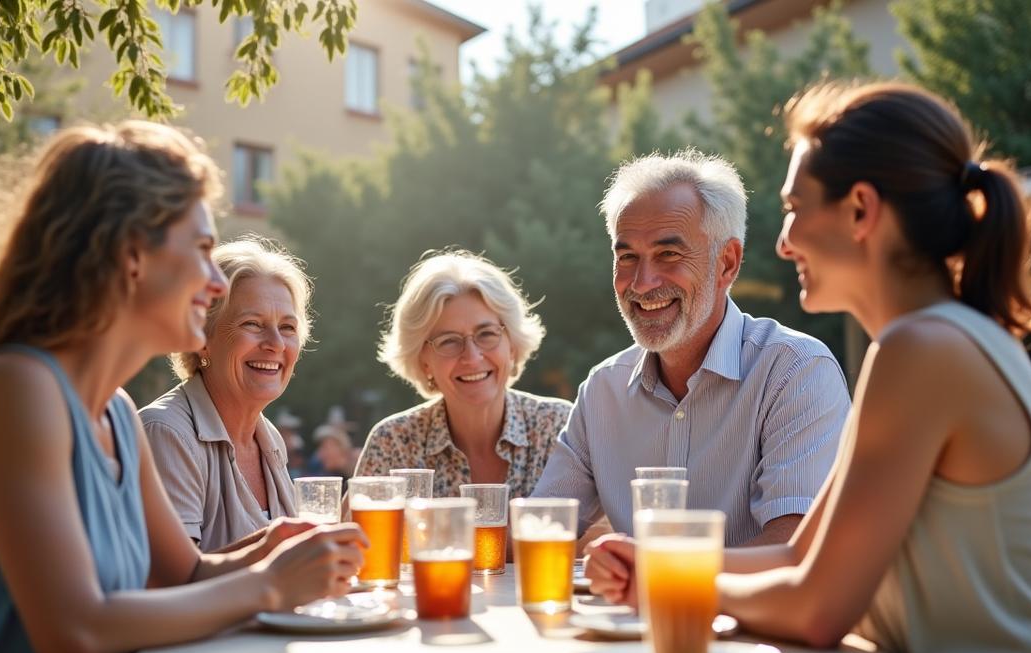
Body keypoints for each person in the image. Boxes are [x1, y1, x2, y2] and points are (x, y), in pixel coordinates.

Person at [586, 82, 1031, 653]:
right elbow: (797, 555)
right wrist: (654, 563)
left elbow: (817, 606)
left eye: (795, 208)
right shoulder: (926, 342)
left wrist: (665, 581)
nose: (784, 241)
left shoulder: (923, 349)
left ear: (860, 210)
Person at [0, 121, 366, 653]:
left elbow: (186, 572)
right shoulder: (14, 390)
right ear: (132, 255)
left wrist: (275, 545)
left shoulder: (115, 412)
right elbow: (75, 636)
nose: (215, 283)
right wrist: (269, 585)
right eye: (203, 251)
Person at [530, 149, 851, 547]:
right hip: (633, 612)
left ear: (727, 263)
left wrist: (650, 574)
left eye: (669, 254)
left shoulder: (796, 371)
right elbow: (542, 527)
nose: (643, 282)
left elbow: (793, 546)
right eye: (627, 257)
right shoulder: (602, 390)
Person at [139, 237, 314, 553]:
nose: (275, 343)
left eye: (288, 327)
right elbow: (174, 584)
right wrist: (280, 550)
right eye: (253, 323)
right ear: (202, 337)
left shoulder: (268, 437)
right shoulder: (166, 432)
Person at [355, 251, 572, 499]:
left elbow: (603, 532)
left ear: (512, 345)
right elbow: (351, 536)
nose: (472, 357)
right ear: (423, 361)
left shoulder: (560, 428)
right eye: (448, 342)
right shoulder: (393, 443)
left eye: (487, 334)